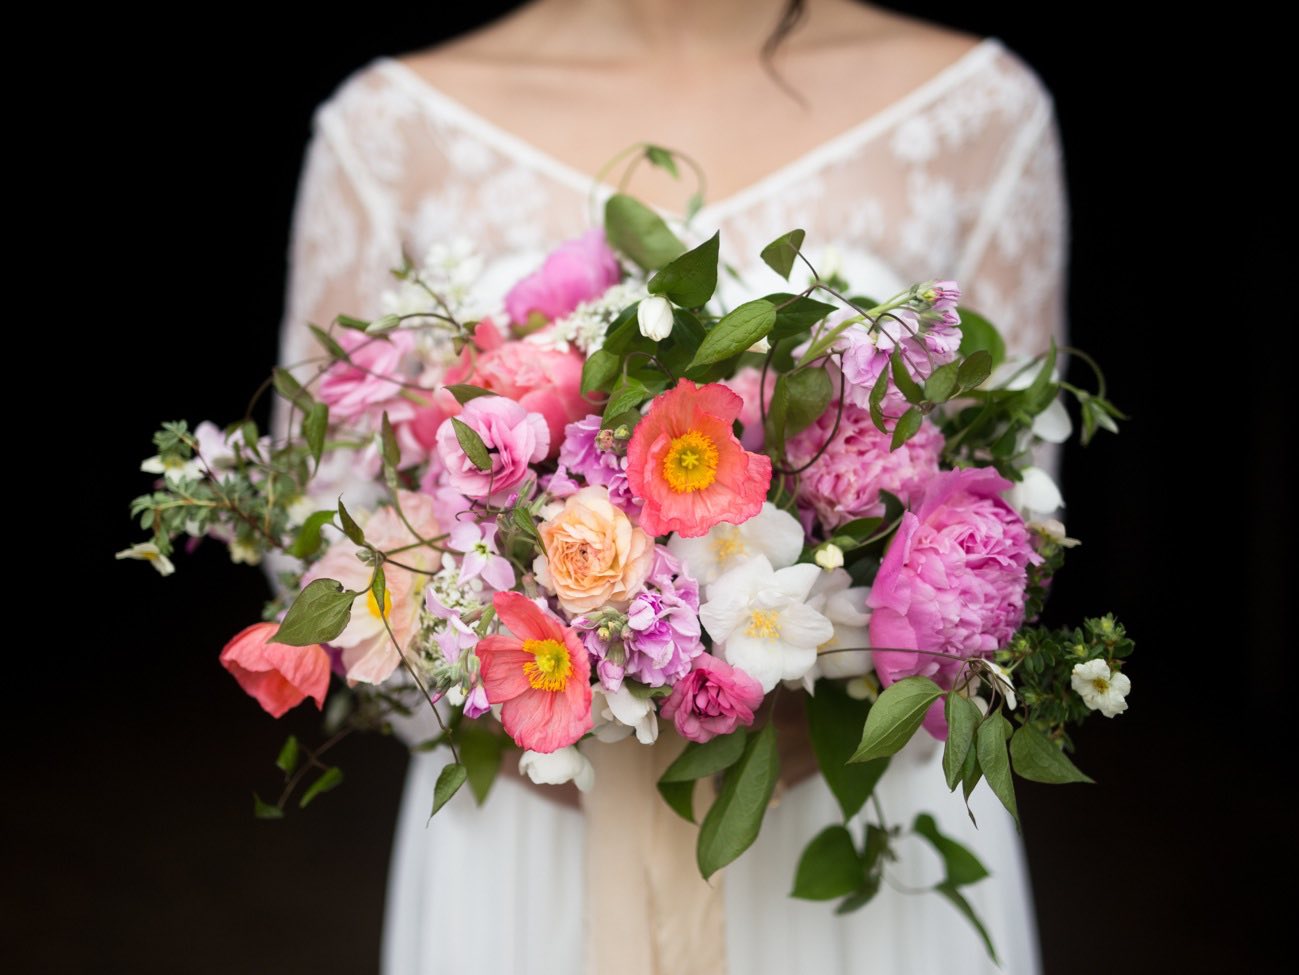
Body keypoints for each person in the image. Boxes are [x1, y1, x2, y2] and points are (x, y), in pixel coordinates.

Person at [275, 1, 1068, 972]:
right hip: (530, 829)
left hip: (854, 819)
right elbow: (317, 534)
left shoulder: (979, 109)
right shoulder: (390, 128)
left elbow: (1015, 520)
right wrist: (565, 706)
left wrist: (821, 696)